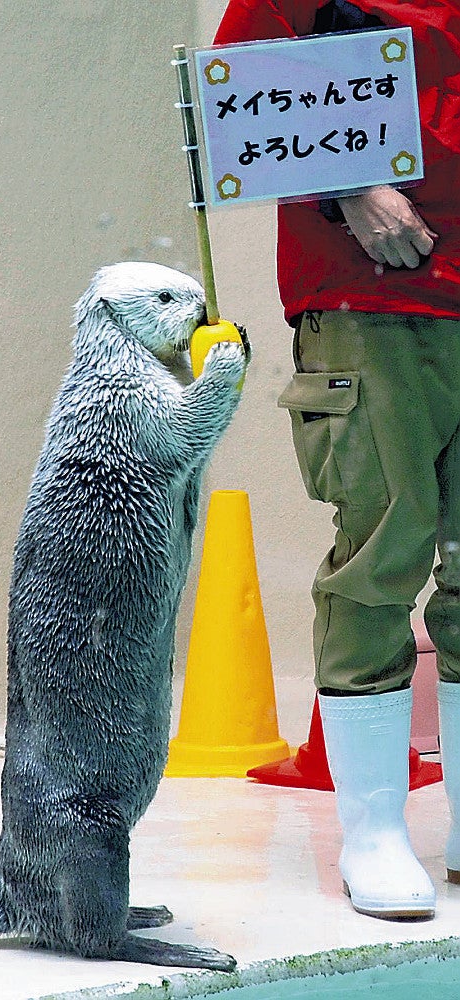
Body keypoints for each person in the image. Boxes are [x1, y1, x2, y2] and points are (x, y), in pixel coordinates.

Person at [213, 0, 460, 919]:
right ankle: (374, 830)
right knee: (380, 555)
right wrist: (350, 185)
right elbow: (243, 83)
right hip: (371, 289)